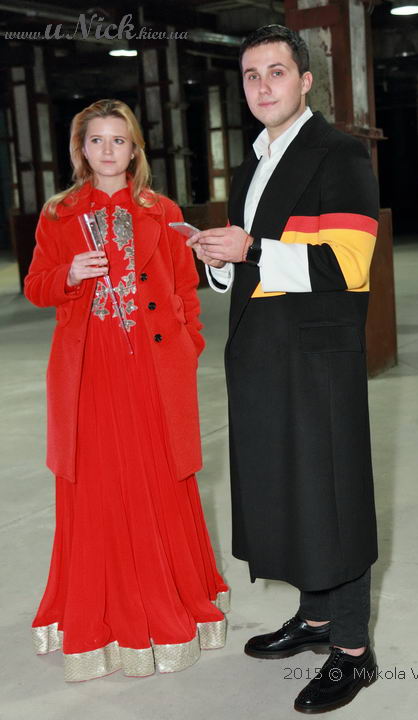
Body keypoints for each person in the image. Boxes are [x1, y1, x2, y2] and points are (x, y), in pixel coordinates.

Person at [188, 24, 379, 715]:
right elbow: (250, 263)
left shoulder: (340, 152)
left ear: (305, 81)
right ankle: (317, 618)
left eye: (276, 72)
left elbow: (348, 264)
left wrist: (251, 250)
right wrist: (218, 259)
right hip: (262, 351)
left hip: (317, 357)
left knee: (332, 497)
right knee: (291, 491)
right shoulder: (252, 165)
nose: (263, 85)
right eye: (251, 75)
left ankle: (352, 652)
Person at [24, 99, 229, 683]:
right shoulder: (59, 213)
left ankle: (172, 596)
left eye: (119, 140)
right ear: (80, 149)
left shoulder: (163, 212)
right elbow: (36, 285)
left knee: (157, 476)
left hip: (153, 368)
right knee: (99, 484)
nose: (108, 150)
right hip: (90, 371)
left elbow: (185, 289)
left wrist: (188, 345)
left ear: (135, 148)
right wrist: (68, 275)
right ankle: (102, 614)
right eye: (97, 140)